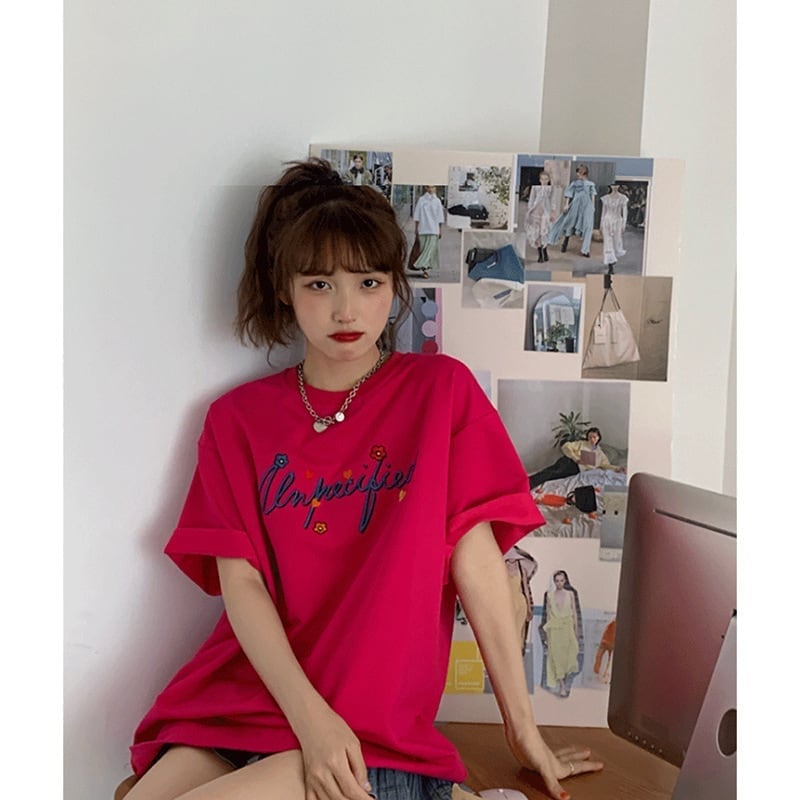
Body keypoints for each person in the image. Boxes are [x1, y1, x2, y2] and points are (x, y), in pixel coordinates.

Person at [120, 158, 603, 800]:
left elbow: (477, 560)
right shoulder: (238, 420)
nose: (345, 309)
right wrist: (310, 722)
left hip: (366, 725)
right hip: (246, 698)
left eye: (368, 282)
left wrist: (524, 731)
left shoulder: (439, 393)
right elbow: (242, 584)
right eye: (319, 284)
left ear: (394, 285)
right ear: (286, 288)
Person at [528, 427, 624, 490]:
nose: (592, 439)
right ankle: (529, 483)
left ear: (598, 438)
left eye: (594, 437)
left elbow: (605, 465)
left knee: (554, 476)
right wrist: (575, 457)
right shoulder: (582, 444)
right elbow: (566, 446)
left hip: (576, 470)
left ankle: (530, 481)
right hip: (569, 462)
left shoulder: (599, 453)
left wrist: (618, 468)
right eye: (590, 437)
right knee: (553, 471)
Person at [539, 571, 582, 698]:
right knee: (556, 657)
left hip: (567, 628)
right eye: (557, 581)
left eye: (561, 580)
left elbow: (574, 612)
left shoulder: (570, 594)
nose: (559, 583)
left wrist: (576, 630)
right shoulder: (550, 596)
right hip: (555, 630)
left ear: (565, 581)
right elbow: (548, 615)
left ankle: (565, 681)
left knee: (570, 655)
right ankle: (562, 686)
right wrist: (547, 635)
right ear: (554, 582)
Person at [547, 164, 596, 258]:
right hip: (576, 205)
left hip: (587, 206)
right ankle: (565, 242)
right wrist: (566, 205)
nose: (578, 175)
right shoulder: (575, 183)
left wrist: (593, 207)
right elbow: (569, 194)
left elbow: (593, 195)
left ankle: (585, 250)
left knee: (588, 226)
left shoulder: (590, 184)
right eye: (578, 173)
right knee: (569, 223)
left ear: (584, 173)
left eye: (580, 173)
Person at [410, 185, 445, 279]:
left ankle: (421, 265)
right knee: (424, 250)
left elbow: (440, 217)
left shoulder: (437, 201)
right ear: (426, 188)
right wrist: (416, 229)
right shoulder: (421, 200)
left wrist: (440, 230)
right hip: (423, 229)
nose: (431, 189)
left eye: (432, 187)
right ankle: (425, 269)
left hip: (434, 229)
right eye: (429, 187)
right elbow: (417, 216)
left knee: (430, 250)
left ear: (435, 188)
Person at [524, 171, 556, 263]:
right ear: (539, 180)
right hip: (536, 211)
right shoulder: (535, 188)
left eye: (546, 179)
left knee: (544, 232)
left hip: (546, 212)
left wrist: (553, 212)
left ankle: (545, 251)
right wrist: (529, 211)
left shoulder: (551, 189)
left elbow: (553, 200)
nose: (544, 181)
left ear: (548, 180)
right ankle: (540, 254)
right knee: (537, 232)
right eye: (542, 179)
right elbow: (531, 199)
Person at [600, 184, 628, 267]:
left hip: (617, 221)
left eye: (616, 185)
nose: (614, 187)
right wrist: (601, 224)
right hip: (607, 221)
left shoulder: (623, 198)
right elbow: (603, 212)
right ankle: (610, 262)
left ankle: (613, 258)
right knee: (607, 241)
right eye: (613, 185)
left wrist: (624, 223)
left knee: (616, 241)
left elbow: (624, 212)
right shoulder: (605, 198)